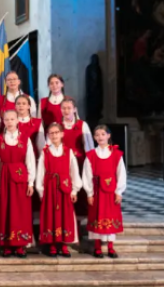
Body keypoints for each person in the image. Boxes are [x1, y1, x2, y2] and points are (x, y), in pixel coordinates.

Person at [0, 109, 36, 258]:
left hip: (20, 177)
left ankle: (20, 245)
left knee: (20, 210)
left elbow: (30, 161)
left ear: (18, 120)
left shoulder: (25, 139)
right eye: (6, 119)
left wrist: (30, 183)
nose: (9, 122)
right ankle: (6, 245)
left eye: (12, 119)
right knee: (4, 209)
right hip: (4, 176)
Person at [36, 123, 82, 258]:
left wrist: (74, 190)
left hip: (64, 189)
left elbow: (74, 172)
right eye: (51, 133)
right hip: (50, 189)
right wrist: (41, 191)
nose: (54, 135)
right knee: (50, 216)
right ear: (48, 136)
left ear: (62, 134)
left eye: (56, 132)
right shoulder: (45, 152)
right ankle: (51, 244)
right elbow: (40, 172)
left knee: (64, 216)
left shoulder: (68, 152)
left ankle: (63, 244)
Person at [83, 125, 126, 259]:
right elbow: (86, 174)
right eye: (97, 135)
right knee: (97, 217)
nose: (100, 137)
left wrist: (119, 191)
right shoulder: (90, 155)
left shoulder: (116, 154)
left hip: (111, 193)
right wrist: (89, 193)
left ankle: (110, 247)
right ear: (94, 138)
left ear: (108, 136)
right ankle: (97, 247)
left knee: (110, 218)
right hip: (97, 192)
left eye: (103, 134)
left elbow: (121, 174)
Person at [60, 98, 94, 216]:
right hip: (62, 165)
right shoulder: (57, 126)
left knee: (81, 192)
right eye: (64, 108)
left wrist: (90, 164)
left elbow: (89, 146)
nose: (66, 111)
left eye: (69, 108)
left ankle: (81, 221)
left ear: (74, 110)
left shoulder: (82, 125)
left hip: (79, 164)